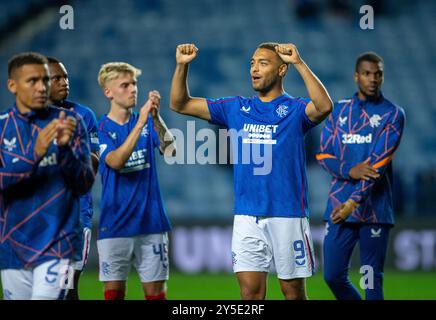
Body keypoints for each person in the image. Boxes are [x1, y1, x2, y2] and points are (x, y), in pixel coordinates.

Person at [170, 43, 333, 300]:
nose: (254, 69)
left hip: (287, 214)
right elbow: (179, 104)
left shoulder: (295, 110)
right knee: (250, 294)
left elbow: (324, 106)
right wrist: (182, 65)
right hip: (246, 216)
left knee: (292, 293)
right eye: (252, 63)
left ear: (282, 70)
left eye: (263, 63)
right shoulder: (235, 108)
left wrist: (299, 62)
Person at [0, 52, 94, 299]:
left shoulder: (74, 122)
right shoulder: (2, 128)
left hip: (58, 240)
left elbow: (84, 181)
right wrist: (35, 154)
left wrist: (65, 151)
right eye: (34, 81)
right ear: (13, 85)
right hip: (14, 243)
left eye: (45, 80)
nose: (42, 87)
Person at [316, 52, 405, 300]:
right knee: (332, 276)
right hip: (338, 207)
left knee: (371, 280)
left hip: (373, 211)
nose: (373, 78)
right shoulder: (338, 111)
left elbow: (378, 165)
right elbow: (323, 155)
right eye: (367, 73)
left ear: (383, 77)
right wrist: (349, 170)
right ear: (356, 76)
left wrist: (353, 202)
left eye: (378, 74)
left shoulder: (393, 114)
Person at [96, 62, 176, 300]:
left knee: (156, 295)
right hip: (115, 225)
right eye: (125, 85)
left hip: (151, 223)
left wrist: (156, 117)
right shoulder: (100, 129)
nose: (133, 89)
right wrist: (141, 122)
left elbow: (171, 150)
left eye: (134, 84)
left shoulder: (148, 122)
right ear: (108, 92)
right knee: (114, 294)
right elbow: (116, 161)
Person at [47, 57, 100, 300]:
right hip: (39, 216)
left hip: (75, 213)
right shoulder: (25, 119)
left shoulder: (84, 115)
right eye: (56, 78)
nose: (64, 82)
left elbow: (94, 163)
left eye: (65, 77)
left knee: (68, 289)